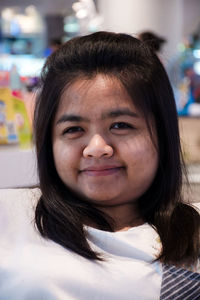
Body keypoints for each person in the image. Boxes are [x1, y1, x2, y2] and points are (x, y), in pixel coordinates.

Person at [0, 31, 200, 299]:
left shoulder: (192, 235)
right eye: (73, 129)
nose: (96, 148)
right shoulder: (9, 216)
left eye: (120, 126)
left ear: (162, 134)